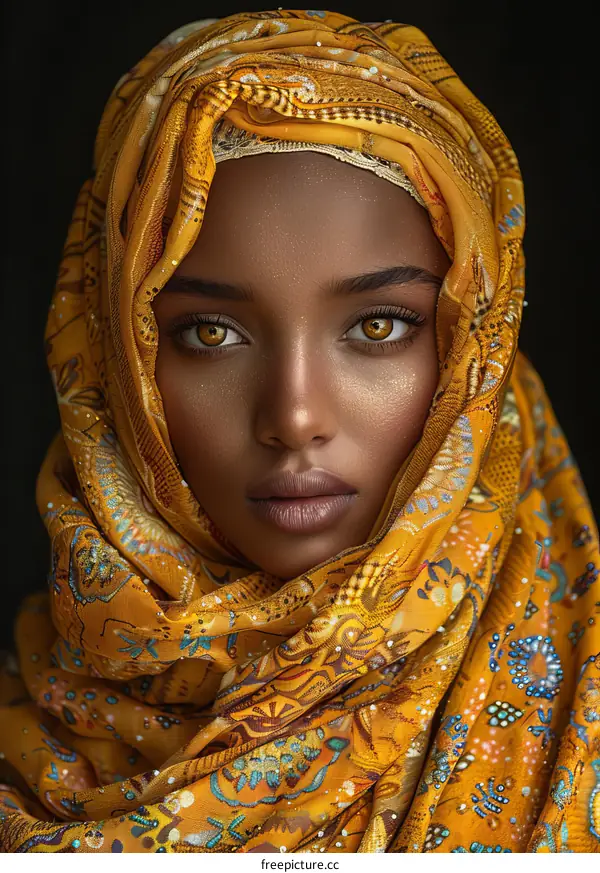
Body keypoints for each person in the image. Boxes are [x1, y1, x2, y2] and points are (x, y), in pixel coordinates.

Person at [0, 8, 597, 854]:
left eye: (379, 326)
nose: (296, 418)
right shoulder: (29, 747)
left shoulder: (583, 700)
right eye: (212, 333)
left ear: (475, 345)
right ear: (114, 362)